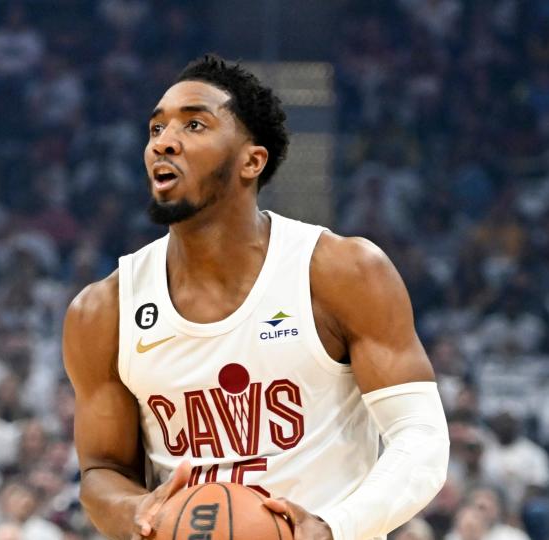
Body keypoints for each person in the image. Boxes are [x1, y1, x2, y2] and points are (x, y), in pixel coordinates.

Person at [62, 54, 450, 540]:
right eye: (156, 128)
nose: (164, 142)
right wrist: (138, 513)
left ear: (252, 160)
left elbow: (421, 438)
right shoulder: (103, 310)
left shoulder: (340, 271)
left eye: (194, 124)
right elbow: (101, 468)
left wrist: (334, 527)